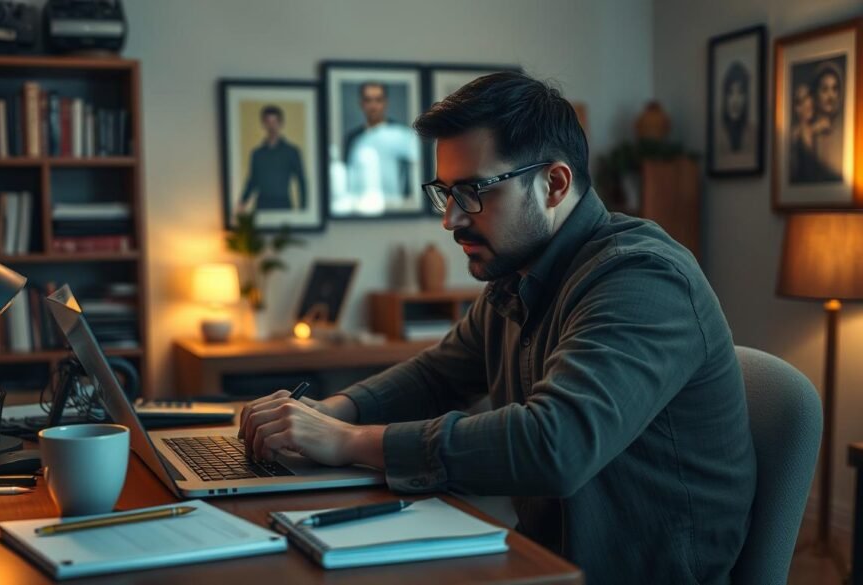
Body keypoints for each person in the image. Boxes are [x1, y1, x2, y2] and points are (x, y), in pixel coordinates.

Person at [240, 70, 756, 584]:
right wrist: (322, 414)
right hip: (546, 564)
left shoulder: (641, 279)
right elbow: (437, 376)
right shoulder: (518, 274)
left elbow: (555, 444)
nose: (451, 221)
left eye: (472, 192)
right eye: (446, 194)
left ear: (554, 184)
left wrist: (349, 441)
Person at [342, 82, 419, 211]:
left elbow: (414, 170)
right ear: (361, 104)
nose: (373, 106)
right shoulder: (352, 138)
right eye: (368, 100)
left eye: (378, 100)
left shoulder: (401, 134)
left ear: (385, 103)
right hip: (361, 206)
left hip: (395, 205)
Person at [238, 105, 306, 212]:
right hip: (262, 205)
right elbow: (252, 181)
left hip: (283, 204)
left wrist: (304, 208)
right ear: (263, 124)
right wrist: (242, 202)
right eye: (268, 122)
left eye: (275, 122)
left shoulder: (291, 152)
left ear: (281, 124)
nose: (272, 126)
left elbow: (301, 181)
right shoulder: (257, 154)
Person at [809, 61, 844, 182]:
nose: (831, 96)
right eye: (825, 89)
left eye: (834, 89)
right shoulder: (806, 133)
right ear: (815, 94)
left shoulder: (845, 132)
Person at [720, 61, 750, 152]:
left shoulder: (753, 134)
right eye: (730, 93)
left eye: (740, 93)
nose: (735, 100)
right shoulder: (717, 133)